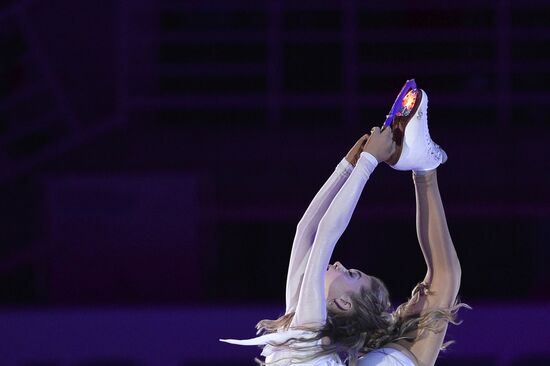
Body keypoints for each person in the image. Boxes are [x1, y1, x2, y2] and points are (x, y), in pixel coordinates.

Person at [220, 89, 471, 366]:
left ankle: (425, 167)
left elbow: (313, 233)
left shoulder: (301, 325)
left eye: (350, 273)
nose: (338, 264)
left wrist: (356, 164)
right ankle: (425, 168)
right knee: (443, 283)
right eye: (350, 272)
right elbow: (316, 234)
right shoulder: (306, 326)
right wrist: (360, 164)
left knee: (442, 284)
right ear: (343, 304)